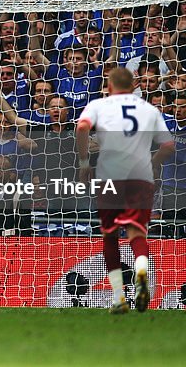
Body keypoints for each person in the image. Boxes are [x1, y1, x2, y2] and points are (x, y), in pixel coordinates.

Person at [75, 67, 175, 314]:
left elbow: (81, 128)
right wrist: (153, 163)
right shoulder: (149, 109)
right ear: (133, 87)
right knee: (137, 233)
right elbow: (169, 145)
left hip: (110, 177)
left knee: (110, 235)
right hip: (140, 178)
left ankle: (119, 297)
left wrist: (85, 162)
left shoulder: (99, 105)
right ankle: (142, 275)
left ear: (109, 87)